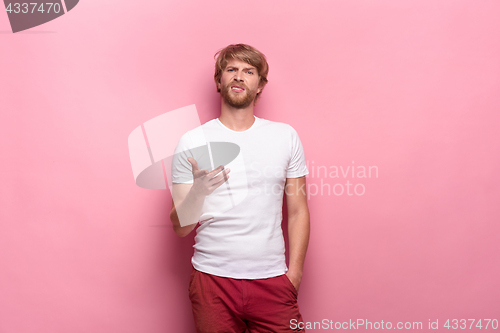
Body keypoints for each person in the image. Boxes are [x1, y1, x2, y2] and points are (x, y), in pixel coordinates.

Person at [169, 43, 310, 333]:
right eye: (231, 70)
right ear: (219, 81)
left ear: (260, 85)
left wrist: (293, 277)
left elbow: (298, 211)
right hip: (212, 282)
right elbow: (180, 227)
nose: (239, 76)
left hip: (273, 280)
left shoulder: (285, 136)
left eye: (249, 71)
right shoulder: (192, 141)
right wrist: (199, 192)